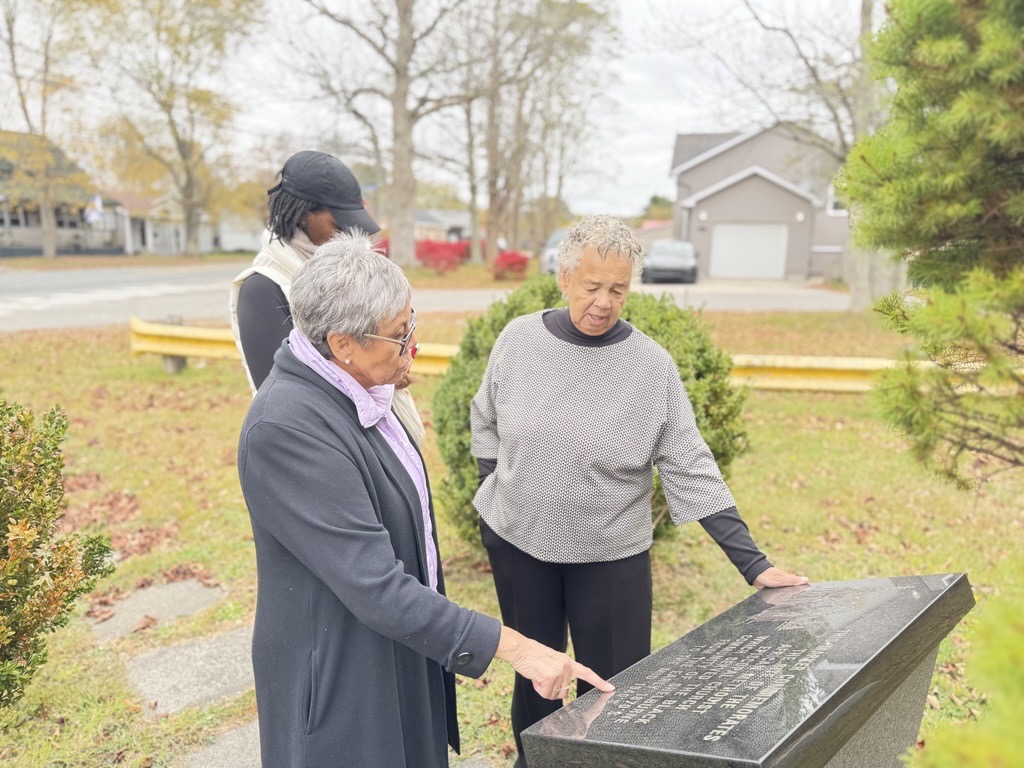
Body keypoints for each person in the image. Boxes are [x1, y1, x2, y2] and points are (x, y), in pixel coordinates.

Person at [237, 233, 613, 768]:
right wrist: (520, 649)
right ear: (342, 344)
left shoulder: (359, 388)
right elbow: (376, 586)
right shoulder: (287, 429)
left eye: (410, 324)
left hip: (396, 650)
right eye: (397, 335)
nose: (411, 345)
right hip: (341, 676)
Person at [470, 214, 809, 766]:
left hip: (610, 556)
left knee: (615, 693)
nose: (604, 301)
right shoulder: (520, 340)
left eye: (618, 289)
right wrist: (493, 492)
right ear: (564, 278)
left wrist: (754, 564)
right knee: (537, 682)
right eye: (592, 286)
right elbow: (484, 415)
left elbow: (690, 464)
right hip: (520, 545)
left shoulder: (650, 367)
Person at [229, 149, 424, 444]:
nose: (348, 234)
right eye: (338, 224)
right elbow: (286, 395)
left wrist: (389, 362)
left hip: (371, 436)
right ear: (304, 214)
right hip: (320, 447)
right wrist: (380, 378)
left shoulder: (348, 275)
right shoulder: (263, 289)